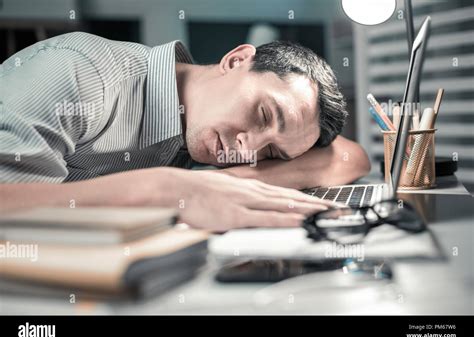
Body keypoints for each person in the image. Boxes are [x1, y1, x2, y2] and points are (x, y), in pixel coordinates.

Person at [0, 32, 370, 230]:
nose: (247, 150)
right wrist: (167, 189)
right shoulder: (82, 74)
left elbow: (351, 155)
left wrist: (232, 182)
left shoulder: (199, 127)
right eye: (262, 114)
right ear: (236, 60)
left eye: (269, 154)